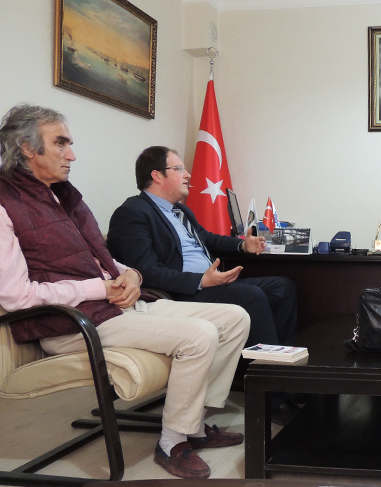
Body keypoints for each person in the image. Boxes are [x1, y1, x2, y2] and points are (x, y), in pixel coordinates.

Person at [0, 104, 251, 479]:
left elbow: (101, 260)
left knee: (235, 317)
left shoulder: (64, 197)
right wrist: (98, 287)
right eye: (61, 143)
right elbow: (15, 296)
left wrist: (130, 275)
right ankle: (172, 442)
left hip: (114, 308)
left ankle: (193, 424)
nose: (72, 154)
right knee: (200, 334)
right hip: (72, 324)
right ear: (26, 147)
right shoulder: (5, 204)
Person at [107, 146, 297, 348]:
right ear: (157, 176)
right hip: (180, 292)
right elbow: (145, 271)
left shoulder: (181, 211)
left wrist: (243, 245)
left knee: (282, 287)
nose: (187, 175)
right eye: (179, 169)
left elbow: (208, 239)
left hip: (208, 284)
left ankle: (281, 356)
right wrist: (200, 281)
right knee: (251, 296)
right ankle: (265, 365)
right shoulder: (132, 213)